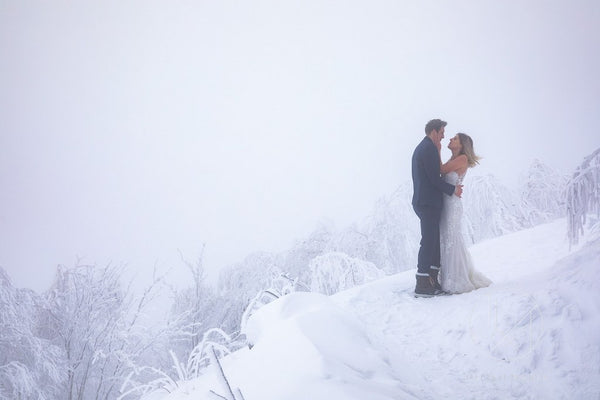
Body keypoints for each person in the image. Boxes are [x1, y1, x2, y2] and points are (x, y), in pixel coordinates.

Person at [411, 119, 463, 297]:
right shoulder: (428, 149)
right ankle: (422, 284)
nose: (443, 136)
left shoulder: (426, 147)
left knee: (432, 241)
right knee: (428, 241)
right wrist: (452, 189)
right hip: (427, 203)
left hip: (426, 202)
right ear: (434, 131)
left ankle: (431, 281)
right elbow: (434, 179)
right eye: (441, 132)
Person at [439, 133, 492, 293]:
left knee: (452, 239)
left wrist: (437, 148)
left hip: (452, 205)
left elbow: (441, 170)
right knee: (447, 238)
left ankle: (456, 280)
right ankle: (450, 277)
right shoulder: (453, 159)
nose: (450, 139)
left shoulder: (461, 159)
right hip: (447, 202)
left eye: (455, 139)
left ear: (462, 145)